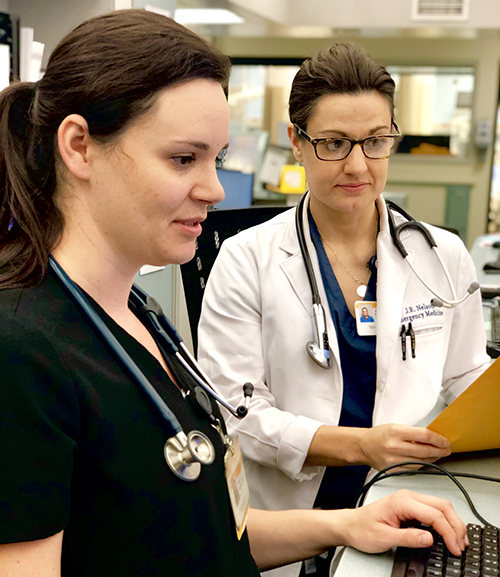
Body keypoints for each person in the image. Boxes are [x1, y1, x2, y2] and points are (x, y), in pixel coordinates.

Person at [0, 14, 469, 576]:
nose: (217, 189)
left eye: (215, 159)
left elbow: (212, 524)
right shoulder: (21, 351)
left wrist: (347, 525)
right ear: (79, 146)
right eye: (182, 158)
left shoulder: (139, 319)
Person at [197, 43, 489, 576]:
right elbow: (238, 419)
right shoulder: (247, 259)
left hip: (407, 504)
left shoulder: (442, 256)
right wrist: (363, 446)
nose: (357, 165)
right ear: (296, 142)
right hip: (285, 528)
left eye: (375, 141)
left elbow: (466, 373)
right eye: (333, 143)